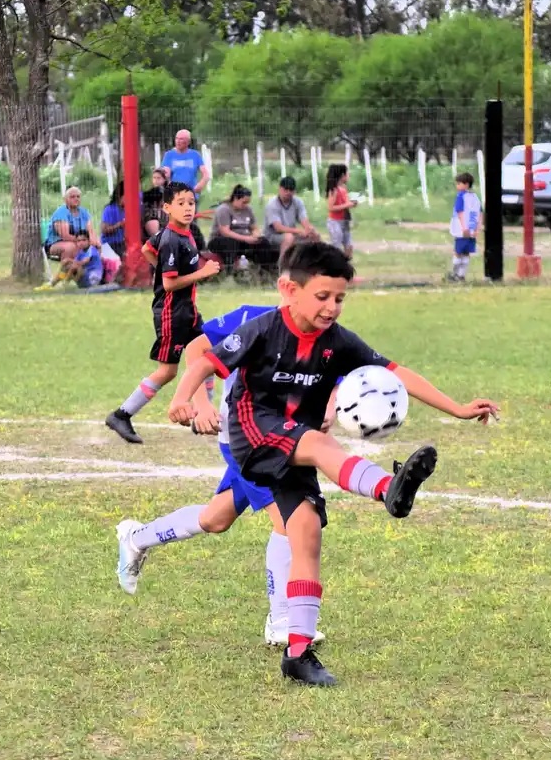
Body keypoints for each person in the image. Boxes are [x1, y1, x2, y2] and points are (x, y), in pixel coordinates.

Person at [166, 241, 499, 686]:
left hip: (292, 442)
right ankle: (388, 488)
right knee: (322, 445)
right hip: (253, 432)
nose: (332, 307)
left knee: (306, 534)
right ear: (289, 290)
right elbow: (204, 362)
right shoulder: (264, 329)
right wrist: (182, 398)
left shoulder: (337, 341)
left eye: (340, 298)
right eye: (322, 296)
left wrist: (457, 408)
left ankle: (298, 652)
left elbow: (397, 373)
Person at [115, 298, 326, 647]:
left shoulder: (324, 332)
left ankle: (136, 538)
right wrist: (200, 403)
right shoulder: (253, 317)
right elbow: (197, 347)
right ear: (290, 287)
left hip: (282, 440)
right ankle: (281, 620)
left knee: (216, 518)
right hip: (247, 439)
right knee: (288, 520)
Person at [104, 182, 220, 445]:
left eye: (191, 203)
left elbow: (147, 248)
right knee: (168, 371)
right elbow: (168, 285)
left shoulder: (182, 233)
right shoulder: (171, 240)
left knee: (209, 355)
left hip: (187, 310)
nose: (188, 208)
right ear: (167, 208)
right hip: (171, 314)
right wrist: (201, 273)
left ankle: (204, 416)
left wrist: (164, 270)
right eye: (181, 203)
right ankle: (121, 415)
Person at [208, 185, 276, 273]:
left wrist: (256, 234)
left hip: (242, 240)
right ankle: (229, 273)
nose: (246, 205)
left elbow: (254, 226)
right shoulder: (224, 209)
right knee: (231, 243)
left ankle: (265, 271)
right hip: (220, 240)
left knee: (263, 242)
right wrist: (246, 238)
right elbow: (225, 232)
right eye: (244, 202)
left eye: (248, 202)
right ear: (236, 198)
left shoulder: (248, 209)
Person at [263, 176, 319, 267]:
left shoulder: (298, 202)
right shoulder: (272, 204)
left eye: (291, 190)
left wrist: (308, 229)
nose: (288, 192)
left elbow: (303, 219)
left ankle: (315, 265)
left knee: (314, 234)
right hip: (272, 236)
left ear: (294, 191)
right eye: (286, 189)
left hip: (291, 233)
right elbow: (278, 228)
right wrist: (299, 231)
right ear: (280, 189)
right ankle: (282, 267)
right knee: (288, 237)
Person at [44, 187, 95, 269]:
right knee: (71, 247)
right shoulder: (61, 212)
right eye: (72, 197)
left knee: (98, 245)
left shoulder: (84, 212)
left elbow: (91, 232)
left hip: (78, 241)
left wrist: (94, 242)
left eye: (78, 196)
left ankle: (95, 272)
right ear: (65, 199)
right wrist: (83, 242)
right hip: (55, 244)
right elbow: (65, 236)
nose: (76, 199)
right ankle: (65, 272)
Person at [448, 172, 481, 282]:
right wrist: (477, 228)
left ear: (466, 184)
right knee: (466, 252)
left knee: (458, 252)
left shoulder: (461, 196)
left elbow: (460, 212)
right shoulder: (475, 197)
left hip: (462, 230)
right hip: (472, 229)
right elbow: (480, 212)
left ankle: (454, 274)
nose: (457, 186)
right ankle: (461, 275)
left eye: (459, 183)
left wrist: (464, 227)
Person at [324, 164, 357, 260]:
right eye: (347, 174)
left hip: (344, 221)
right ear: (342, 175)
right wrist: (347, 205)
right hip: (335, 222)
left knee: (349, 245)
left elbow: (346, 203)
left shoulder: (343, 189)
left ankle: (346, 264)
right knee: (336, 245)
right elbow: (331, 207)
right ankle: (334, 263)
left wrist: (352, 203)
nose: (348, 176)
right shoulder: (334, 190)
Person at [100, 182, 127, 258]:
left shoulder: (127, 209)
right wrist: (119, 225)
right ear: (120, 197)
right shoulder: (109, 209)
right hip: (109, 245)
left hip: (122, 244)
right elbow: (104, 230)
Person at [141, 168, 170, 239]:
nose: (156, 180)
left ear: (164, 180)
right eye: (154, 178)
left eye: (158, 178)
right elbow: (156, 236)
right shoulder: (150, 213)